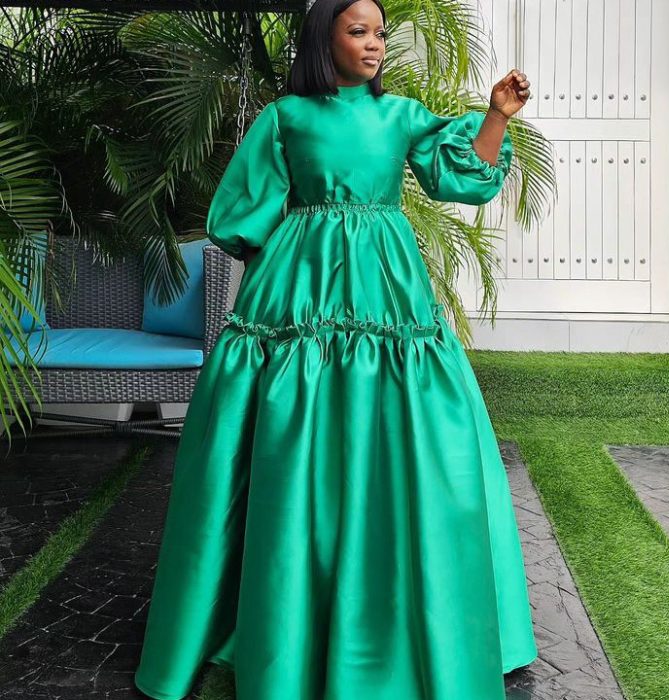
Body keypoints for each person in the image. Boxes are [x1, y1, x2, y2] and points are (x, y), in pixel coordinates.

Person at [133, 0, 536, 698]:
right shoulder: (285, 117)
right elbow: (237, 218)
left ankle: (395, 609)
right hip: (299, 288)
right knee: (290, 433)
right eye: (359, 31)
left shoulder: (401, 116)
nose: (375, 43)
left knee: (397, 427)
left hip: (387, 283)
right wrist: (286, 275)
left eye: (380, 32)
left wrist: (497, 115)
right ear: (326, 39)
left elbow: (462, 178)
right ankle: (284, 603)